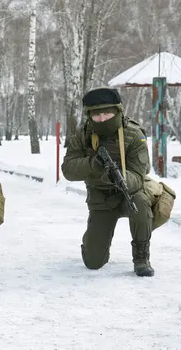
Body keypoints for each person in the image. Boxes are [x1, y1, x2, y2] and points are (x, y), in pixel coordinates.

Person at [61, 86, 154, 277]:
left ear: (117, 111)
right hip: (100, 198)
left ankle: (141, 257)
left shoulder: (134, 134)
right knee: (93, 263)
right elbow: (68, 170)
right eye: (96, 114)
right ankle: (92, 244)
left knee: (141, 203)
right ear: (89, 115)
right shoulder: (82, 135)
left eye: (107, 112)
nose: (102, 118)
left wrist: (120, 178)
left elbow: (140, 173)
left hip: (129, 193)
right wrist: (93, 164)